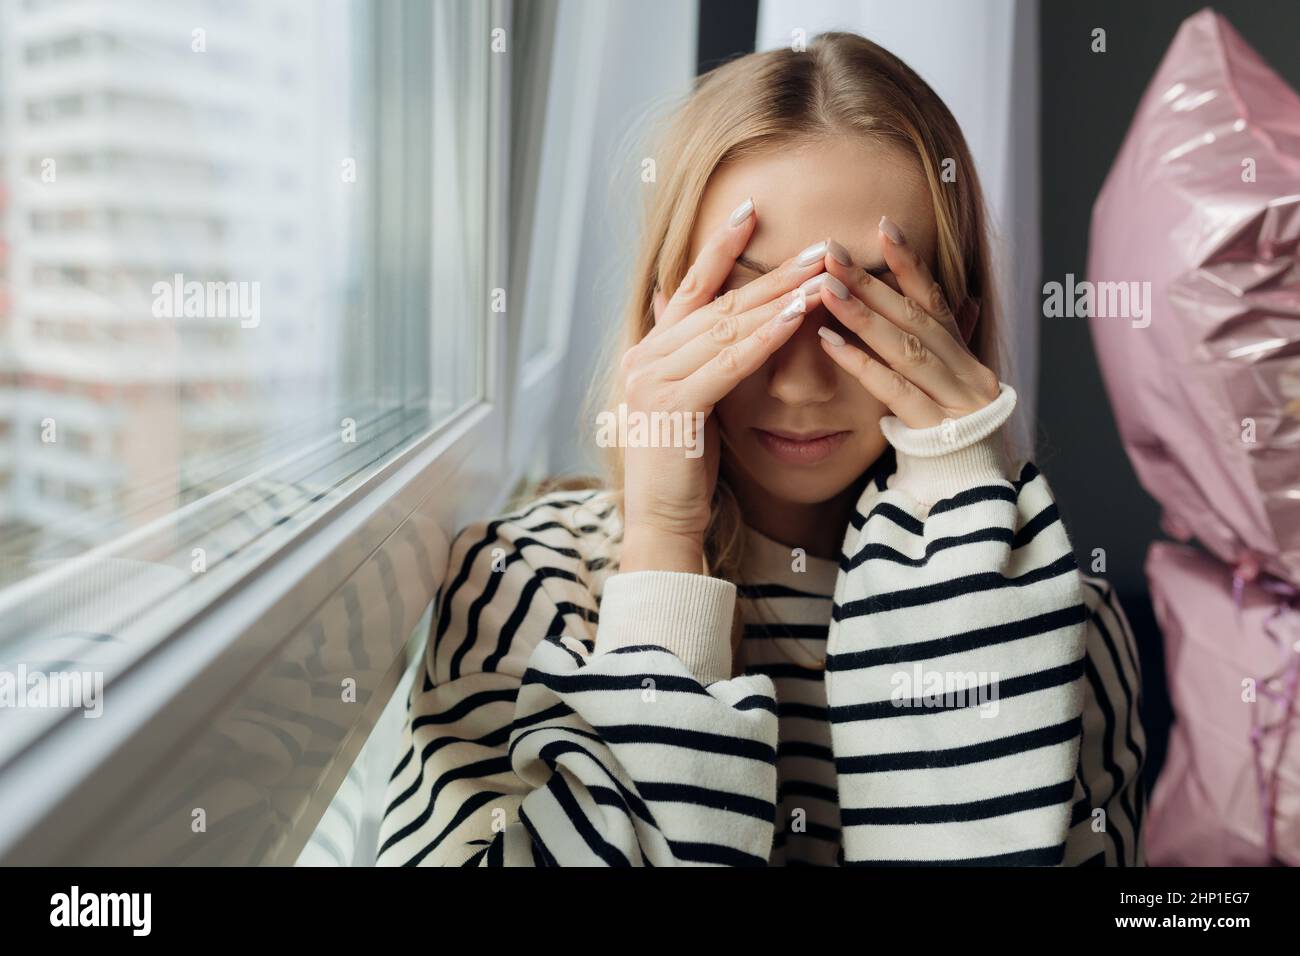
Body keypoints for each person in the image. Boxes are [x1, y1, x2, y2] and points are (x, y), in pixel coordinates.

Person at [377, 31, 1146, 867]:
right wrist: (666, 548)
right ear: (670, 310)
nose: (802, 381)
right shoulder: (524, 585)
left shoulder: (1064, 626)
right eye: (750, 304)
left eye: (866, 307)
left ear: (950, 329)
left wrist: (967, 515)